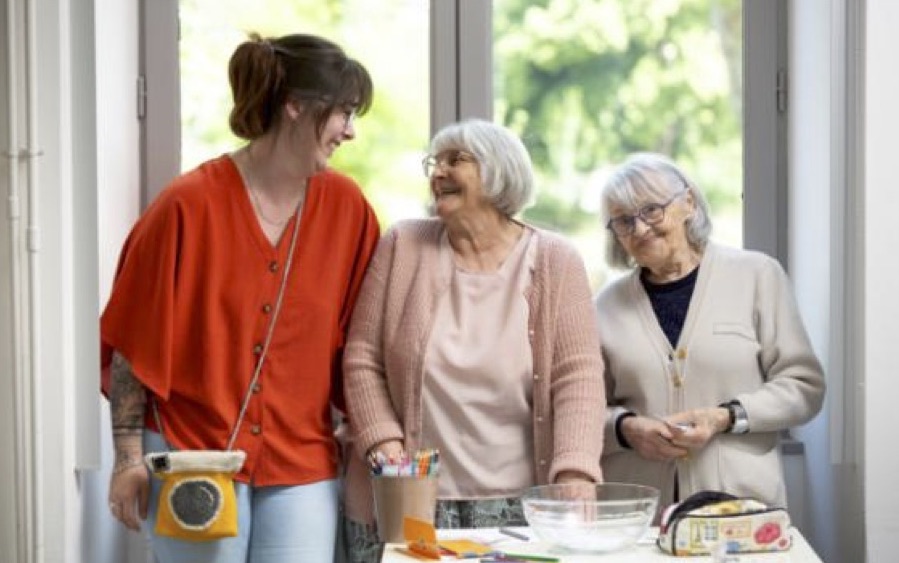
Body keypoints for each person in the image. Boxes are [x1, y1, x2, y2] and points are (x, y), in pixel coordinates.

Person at [100, 32, 379, 563]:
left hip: (301, 459)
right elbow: (131, 350)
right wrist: (127, 459)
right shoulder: (185, 207)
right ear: (296, 106)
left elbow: (364, 338)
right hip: (193, 452)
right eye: (343, 112)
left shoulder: (348, 210)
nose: (350, 130)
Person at [340, 119, 606, 562]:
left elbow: (578, 375)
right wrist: (384, 444)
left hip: (520, 505)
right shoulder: (404, 244)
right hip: (407, 496)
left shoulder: (556, 259)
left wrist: (575, 469)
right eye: (434, 162)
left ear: (500, 172)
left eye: (456, 160)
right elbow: (362, 358)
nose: (438, 172)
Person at [594, 152, 825, 512]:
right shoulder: (605, 306)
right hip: (638, 514)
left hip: (738, 508)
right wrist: (626, 429)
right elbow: (583, 407)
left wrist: (725, 416)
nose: (640, 229)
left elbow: (804, 387)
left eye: (651, 210)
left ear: (688, 202)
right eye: (623, 221)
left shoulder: (757, 276)